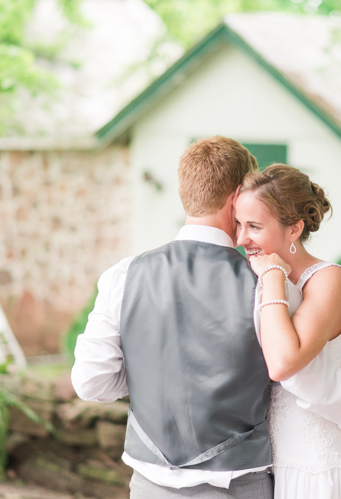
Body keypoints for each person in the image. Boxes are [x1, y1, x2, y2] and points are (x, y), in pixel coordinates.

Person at [71, 136, 275, 499]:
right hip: (237, 483)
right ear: (236, 198)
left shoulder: (125, 273)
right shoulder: (266, 283)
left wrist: (148, 378)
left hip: (149, 484)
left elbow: (90, 382)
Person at [235, 164, 341, 499]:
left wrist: (271, 278)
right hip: (268, 466)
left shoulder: (329, 280)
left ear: (293, 229)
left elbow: (282, 363)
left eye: (254, 226)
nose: (241, 239)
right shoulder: (251, 276)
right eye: (238, 224)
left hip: (314, 467)